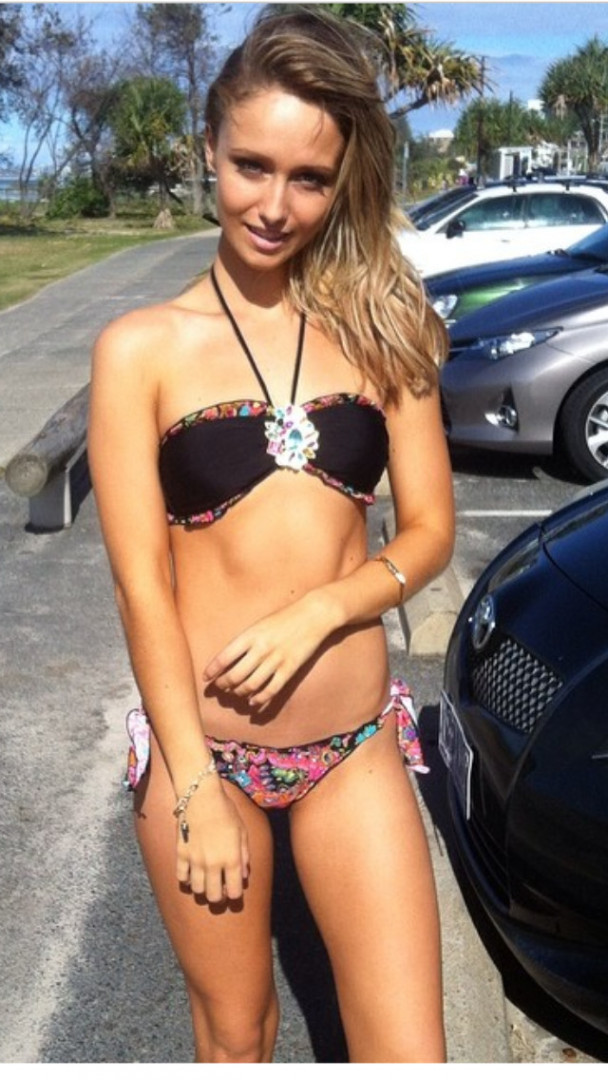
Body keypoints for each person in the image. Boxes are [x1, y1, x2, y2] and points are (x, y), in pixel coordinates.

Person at [88, 6, 454, 1064]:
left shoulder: (384, 325)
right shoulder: (140, 349)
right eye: (251, 165)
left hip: (353, 749)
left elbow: (429, 530)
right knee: (237, 1036)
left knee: (409, 1053)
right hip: (204, 753)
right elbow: (141, 585)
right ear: (209, 147)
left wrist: (324, 610)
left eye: (309, 178)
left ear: (343, 181)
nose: (274, 205)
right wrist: (194, 786)